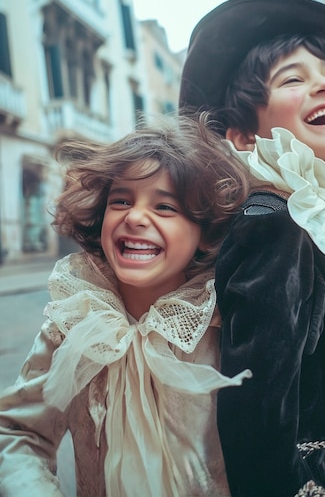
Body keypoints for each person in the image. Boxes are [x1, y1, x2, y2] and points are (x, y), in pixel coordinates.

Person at [179, 0, 325, 497]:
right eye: (294, 79)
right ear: (241, 134)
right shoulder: (272, 224)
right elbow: (258, 420)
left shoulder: (318, 217)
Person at [0, 114, 254, 497]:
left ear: (204, 233)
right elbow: (18, 433)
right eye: (121, 201)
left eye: (165, 207)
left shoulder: (225, 322)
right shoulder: (72, 324)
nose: (135, 217)